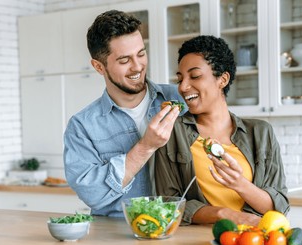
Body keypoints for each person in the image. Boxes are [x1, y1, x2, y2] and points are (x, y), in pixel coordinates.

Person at [155, 35, 290, 226]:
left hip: (255, 241)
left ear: (223, 79)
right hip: (199, 244)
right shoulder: (172, 131)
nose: (183, 87)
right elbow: (168, 203)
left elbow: (279, 207)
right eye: (180, 78)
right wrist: (224, 214)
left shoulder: (260, 133)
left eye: (194, 76)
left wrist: (240, 184)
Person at [63, 10, 186, 217]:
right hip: (117, 240)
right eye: (124, 60)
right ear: (99, 67)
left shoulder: (180, 99)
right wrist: (146, 147)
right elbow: (91, 194)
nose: (137, 66)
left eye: (141, 53)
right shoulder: (82, 127)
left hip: (181, 232)